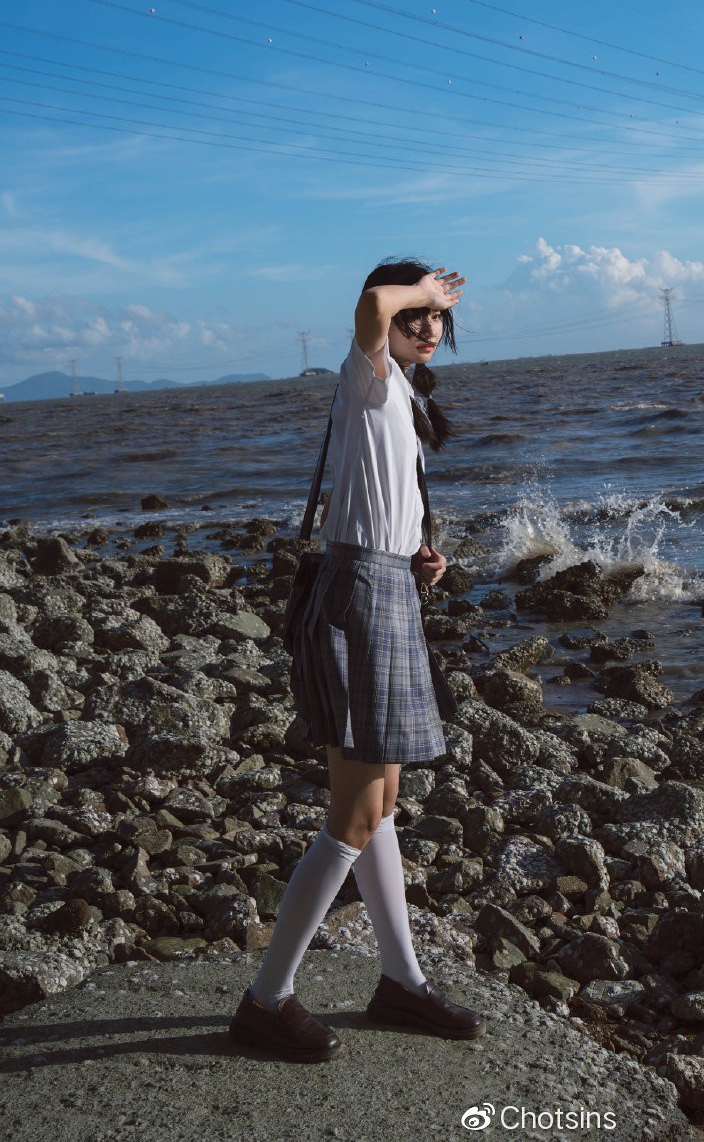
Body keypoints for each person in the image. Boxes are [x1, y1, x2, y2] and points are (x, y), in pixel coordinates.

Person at [230, 260, 483, 1060]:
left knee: (382, 803)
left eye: (438, 318)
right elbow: (375, 301)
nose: (429, 327)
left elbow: (374, 499)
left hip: (387, 588)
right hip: (357, 600)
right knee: (353, 813)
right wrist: (421, 292)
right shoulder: (366, 372)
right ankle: (266, 1000)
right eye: (420, 317)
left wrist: (419, 552)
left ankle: (400, 982)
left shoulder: (401, 393)